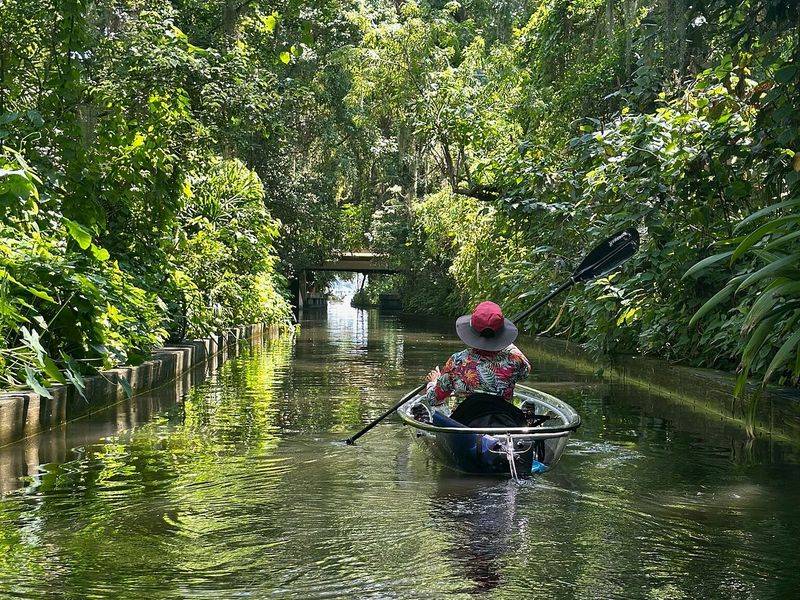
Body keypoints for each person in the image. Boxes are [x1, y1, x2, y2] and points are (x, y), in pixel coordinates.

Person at [417, 301, 530, 420]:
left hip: (465, 424)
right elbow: (525, 371)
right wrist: (503, 340)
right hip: (504, 420)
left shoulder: (457, 361)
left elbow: (433, 399)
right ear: (501, 334)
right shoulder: (515, 361)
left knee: (440, 407)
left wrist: (433, 382)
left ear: (471, 332)